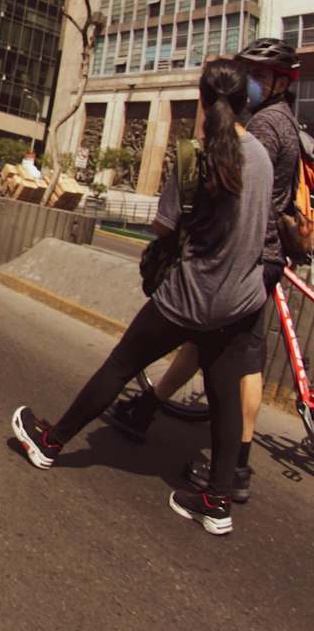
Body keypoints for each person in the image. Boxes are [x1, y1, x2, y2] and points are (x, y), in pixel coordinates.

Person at [12, 57, 274, 536]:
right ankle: (217, 500)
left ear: (201, 99)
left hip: (190, 296)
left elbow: (163, 226)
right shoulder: (260, 156)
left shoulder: (195, 155)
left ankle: (50, 441)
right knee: (224, 395)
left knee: (120, 364)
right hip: (240, 301)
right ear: (245, 104)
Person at [105, 36, 300, 503]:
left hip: (252, 260)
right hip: (256, 258)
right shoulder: (284, 122)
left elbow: (244, 190)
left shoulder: (268, 127)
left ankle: (235, 468)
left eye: (258, 75)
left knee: (242, 364)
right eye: (246, 73)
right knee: (202, 344)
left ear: (278, 82)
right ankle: (146, 410)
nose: (251, 81)